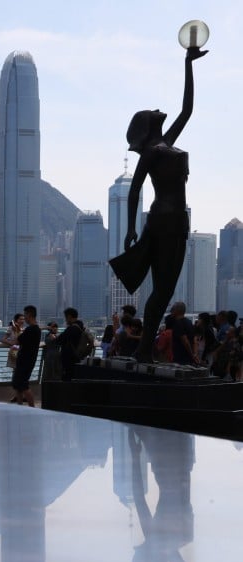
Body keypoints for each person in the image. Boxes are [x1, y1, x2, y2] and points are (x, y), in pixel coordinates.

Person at [110, 46, 206, 363]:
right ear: (145, 125)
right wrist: (131, 229)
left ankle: (143, 349)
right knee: (162, 290)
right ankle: (143, 350)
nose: (157, 110)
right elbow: (135, 189)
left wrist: (188, 65)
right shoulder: (152, 151)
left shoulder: (168, 142)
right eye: (151, 112)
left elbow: (188, 109)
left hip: (177, 222)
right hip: (163, 222)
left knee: (164, 291)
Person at [11, 305, 42, 406]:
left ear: (29, 315)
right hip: (29, 360)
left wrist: (16, 331)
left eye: (25, 315)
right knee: (19, 385)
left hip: (24, 361)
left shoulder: (30, 330)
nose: (25, 318)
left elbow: (16, 341)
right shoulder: (37, 329)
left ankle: (31, 407)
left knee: (23, 385)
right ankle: (20, 406)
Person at [56, 308, 85, 381]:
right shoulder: (80, 326)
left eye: (65, 317)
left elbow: (59, 340)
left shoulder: (72, 328)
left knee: (67, 379)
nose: (65, 320)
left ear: (69, 317)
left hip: (69, 359)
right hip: (77, 357)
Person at [168, 301, 197, 366]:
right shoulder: (189, 322)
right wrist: (194, 354)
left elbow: (185, 341)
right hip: (188, 359)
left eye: (172, 309)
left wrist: (192, 355)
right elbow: (194, 340)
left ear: (177, 310)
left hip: (181, 359)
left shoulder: (178, 324)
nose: (170, 311)